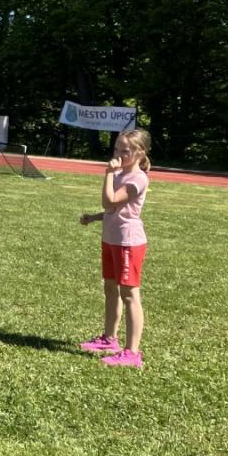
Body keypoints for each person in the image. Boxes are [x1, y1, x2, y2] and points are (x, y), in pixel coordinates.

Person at [79, 129, 152, 368]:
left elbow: (109, 200)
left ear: (140, 152)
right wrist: (95, 217)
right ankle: (109, 339)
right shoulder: (120, 173)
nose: (118, 154)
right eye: (116, 149)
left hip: (128, 242)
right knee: (110, 289)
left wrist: (109, 174)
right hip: (111, 239)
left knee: (129, 295)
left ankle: (132, 353)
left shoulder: (138, 179)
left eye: (125, 151)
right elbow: (112, 210)